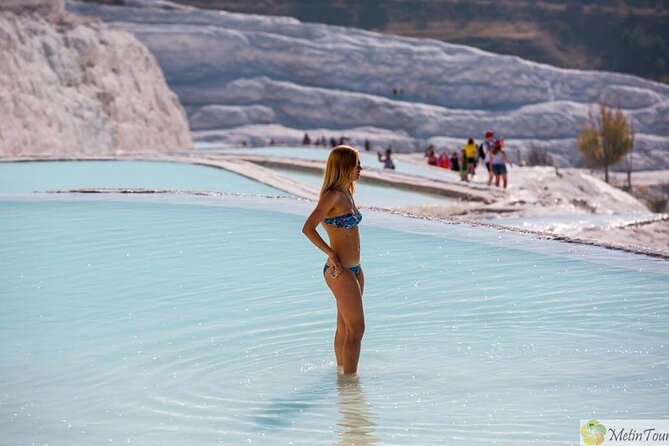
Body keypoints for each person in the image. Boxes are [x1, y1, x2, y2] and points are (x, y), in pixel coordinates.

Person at [302, 146, 365, 375]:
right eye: (356, 164)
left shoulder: (347, 191)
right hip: (340, 271)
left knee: (345, 327)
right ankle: (350, 385)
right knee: (357, 329)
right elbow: (308, 228)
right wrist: (330, 253)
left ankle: (341, 375)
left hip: (355, 269)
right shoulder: (333, 196)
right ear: (343, 166)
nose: (360, 168)